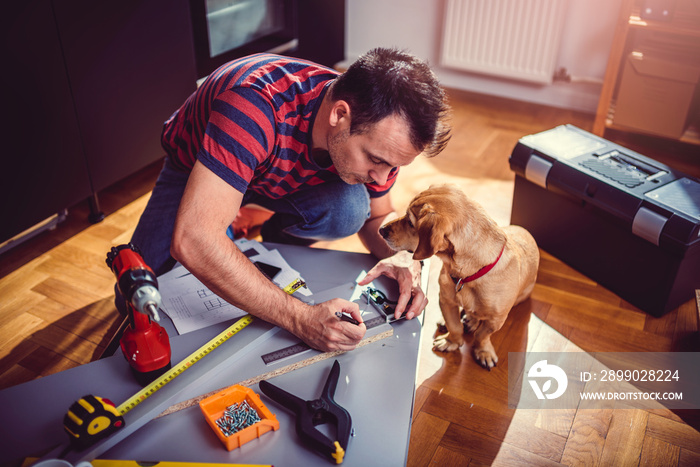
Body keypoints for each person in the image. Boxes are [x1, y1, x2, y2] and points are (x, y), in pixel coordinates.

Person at [129, 47, 451, 352]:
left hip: (273, 174)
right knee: (137, 297)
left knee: (353, 207)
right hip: (200, 166)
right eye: (376, 160)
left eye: (393, 166)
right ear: (340, 114)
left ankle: (257, 221)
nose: (382, 178)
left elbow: (375, 218)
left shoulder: (380, 140)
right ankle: (228, 211)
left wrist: (402, 258)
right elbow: (193, 241)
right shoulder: (254, 105)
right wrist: (300, 318)